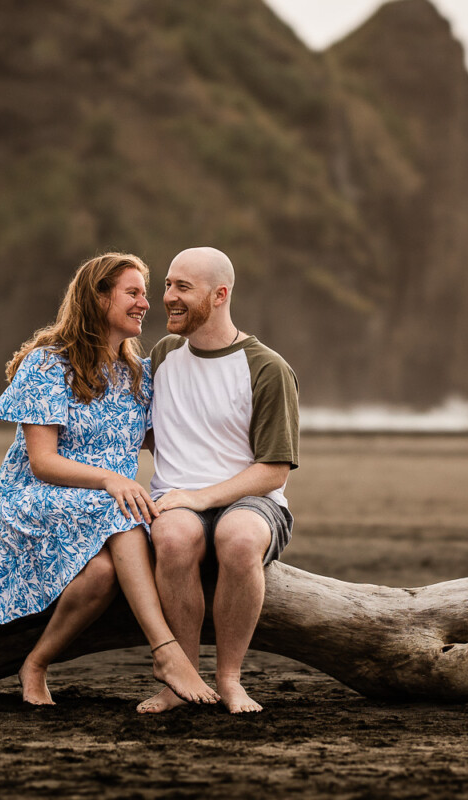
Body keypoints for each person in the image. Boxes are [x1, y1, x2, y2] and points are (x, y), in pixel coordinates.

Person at [0, 252, 219, 708]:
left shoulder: (139, 375)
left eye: (145, 295)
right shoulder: (48, 365)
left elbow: (172, 440)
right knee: (123, 507)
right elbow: (42, 462)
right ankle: (166, 651)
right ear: (98, 298)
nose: (145, 304)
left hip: (106, 511)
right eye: (133, 293)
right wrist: (112, 480)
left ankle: (35, 663)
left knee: (101, 574)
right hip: (35, 500)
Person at [139, 247, 300, 714]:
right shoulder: (164, 355)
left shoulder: (267, 368)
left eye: (182, 287)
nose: (167, 296)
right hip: (178, 500)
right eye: (167, 284)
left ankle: (230, 678)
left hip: (254, 501)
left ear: (220, 294)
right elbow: (153, 432)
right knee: (171, 536)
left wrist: (201, 495)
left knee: (238, 537)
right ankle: (180, 678)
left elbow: (273, 469)